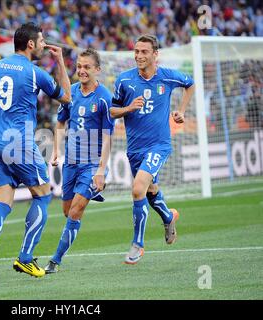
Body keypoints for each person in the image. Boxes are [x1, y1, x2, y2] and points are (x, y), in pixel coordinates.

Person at [0, 22, 71, 288]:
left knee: (3, 202)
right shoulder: (35, 73)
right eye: (42, 41)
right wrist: (60, 62)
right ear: (31, 44)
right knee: (44, 195)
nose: (45, 45)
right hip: (20, 143)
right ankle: (25, 256)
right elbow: (67, 97)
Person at [110, 35, 195, 265]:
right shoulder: (124, 80)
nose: (139, 56)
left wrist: (181, 110)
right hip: (134, 149)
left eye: (144, 52)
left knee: (138, 190)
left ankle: (137, 245)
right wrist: (128, 108)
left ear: (155, 54)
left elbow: (190, 83)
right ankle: (168, 216)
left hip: (159, 145)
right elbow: (112, 111)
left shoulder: (167, 76)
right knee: (150, 191)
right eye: (136, 51)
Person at [44, 48, 115, 274]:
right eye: (79, 66)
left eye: (87, 67)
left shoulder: (104, 98)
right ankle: (91, 192)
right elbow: (61, 124)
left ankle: (55, 260)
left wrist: (102, 169)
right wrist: (56, 150)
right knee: (67, 211)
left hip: (92, 165)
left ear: (97, 70)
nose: (82, 71)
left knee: (75, 212)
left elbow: (107, 136)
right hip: (71, 163)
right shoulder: (70, 93)